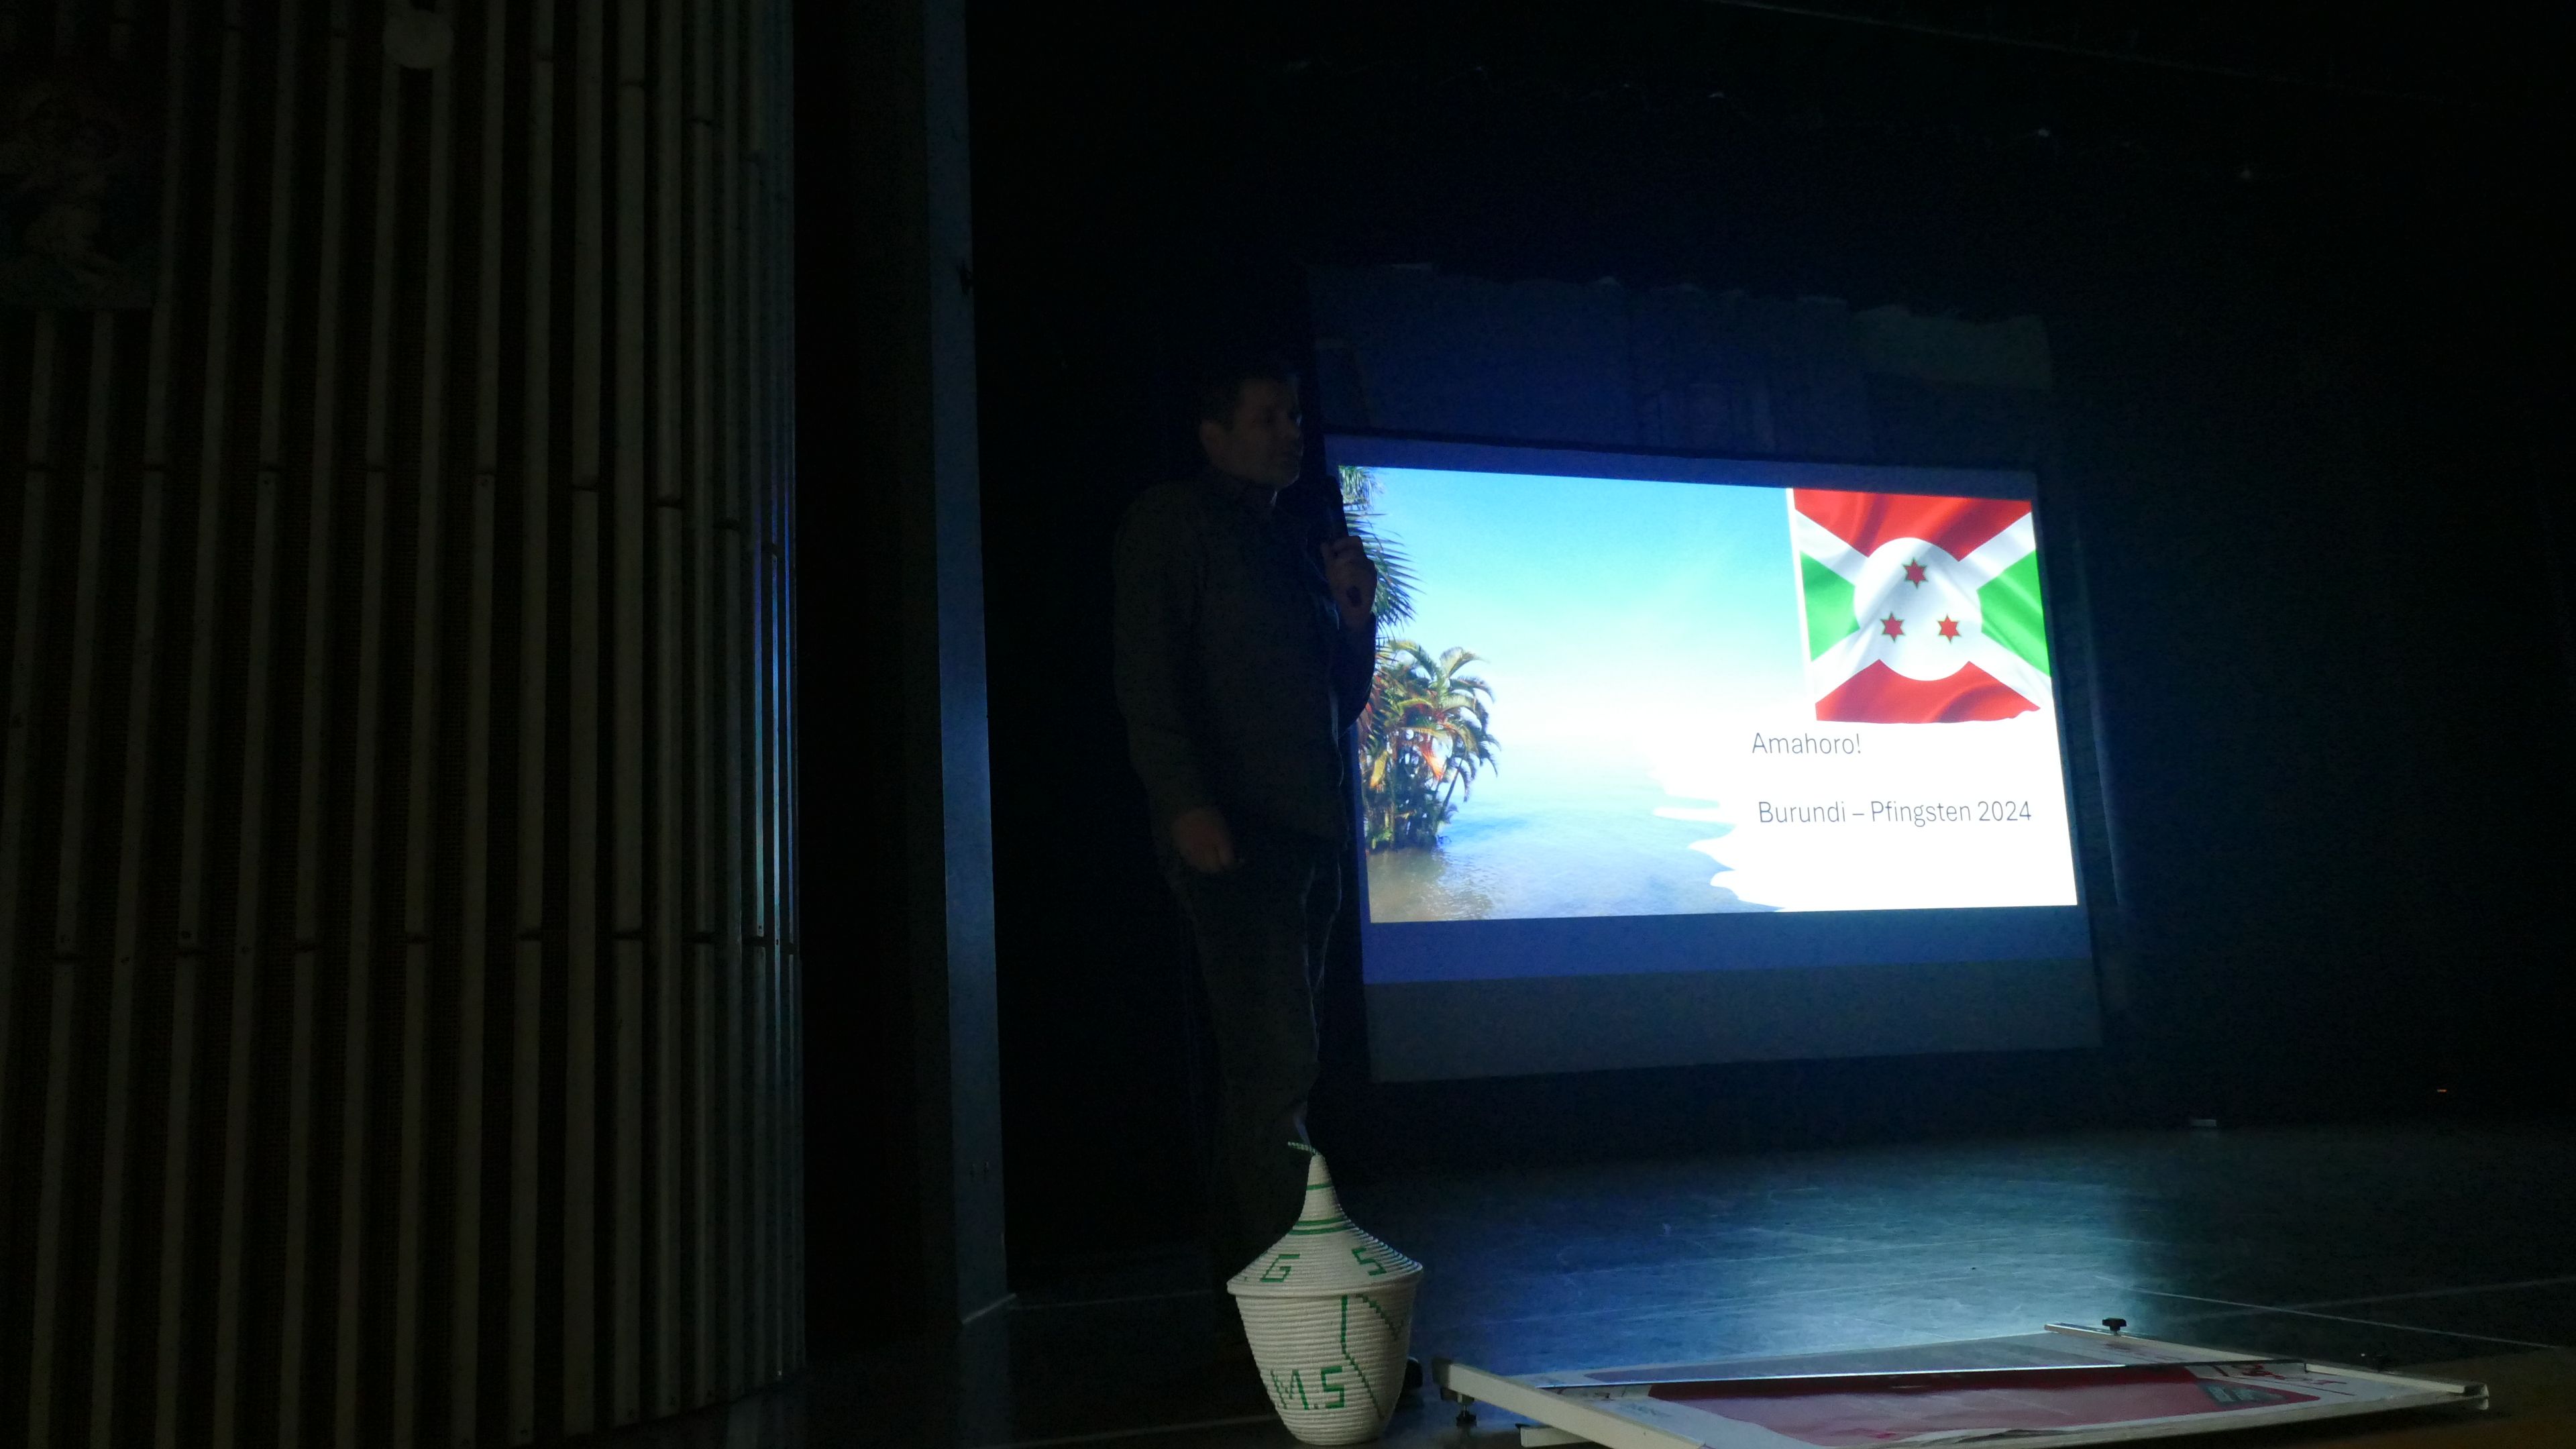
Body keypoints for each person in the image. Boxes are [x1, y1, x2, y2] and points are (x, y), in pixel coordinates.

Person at [1112, 356, 1379, 1320]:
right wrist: (1185, 802)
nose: (1289, 432)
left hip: (1308, 840)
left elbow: (1338, 700)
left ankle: (1254, 1309)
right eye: (1266, 417)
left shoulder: (1292, 545)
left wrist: (1355, 618)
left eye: (1293, 416)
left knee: (1273, 1076)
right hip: (1239, 836)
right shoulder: (1173, 522)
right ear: (1212, 434)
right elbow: (1146, 672)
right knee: (1275, 1073)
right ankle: (1297, 1312)